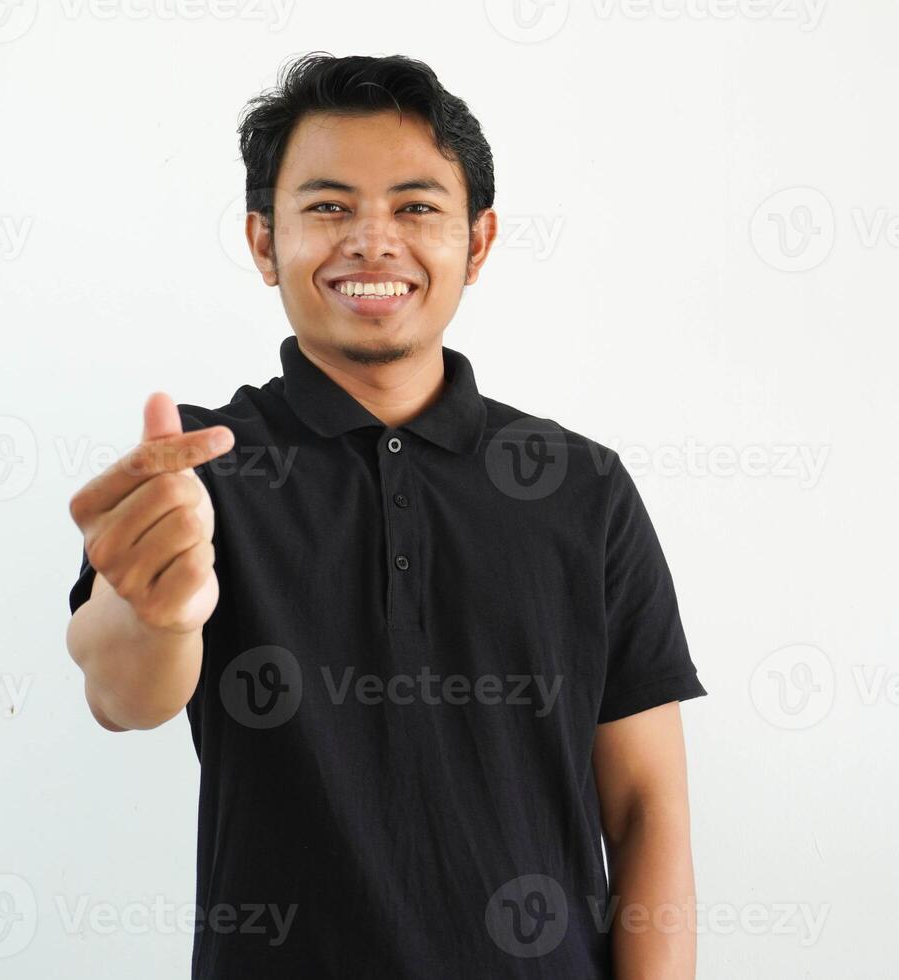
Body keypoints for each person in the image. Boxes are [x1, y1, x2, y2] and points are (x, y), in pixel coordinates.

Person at [65, 52, 706, 980]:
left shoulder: (580, 487)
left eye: (416, 207)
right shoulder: (197, 469)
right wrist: (157, 613)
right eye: (328, 207)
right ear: (261, 240)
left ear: (476, 244)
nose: (373, 241)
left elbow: (650, 808)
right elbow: (122, 693)